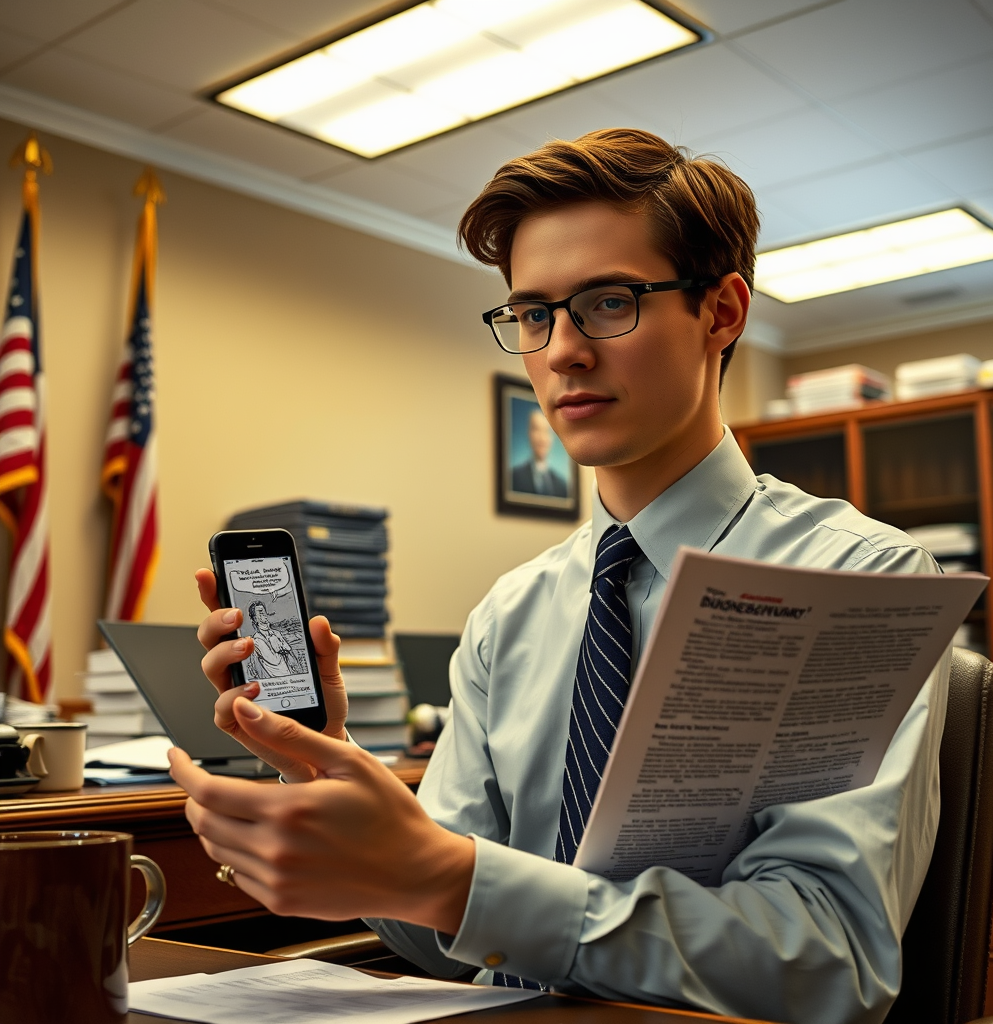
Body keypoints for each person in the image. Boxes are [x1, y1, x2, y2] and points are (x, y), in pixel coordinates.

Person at [173, 129, 945, 1024]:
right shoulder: (511, 613)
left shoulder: (858, 579)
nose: (563, 352)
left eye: (609, 302)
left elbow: (823, 967)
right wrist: (333, 785)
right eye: (534, 315)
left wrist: (459, 882)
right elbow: (436, 937)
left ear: (722, 312)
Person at [510, 408, 569, 497]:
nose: (542, 438)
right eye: (537, 430)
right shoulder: (514, 477)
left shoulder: (562, 485)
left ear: (553, 437)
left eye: (546, 431)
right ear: (528, 433)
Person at [245, 600, 295, 679]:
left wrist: (281, 648)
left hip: (289, 675)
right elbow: (274, 660)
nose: (264, 614)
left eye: (264, 612)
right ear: (255, 619)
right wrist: (281, 647)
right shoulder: (256, 640)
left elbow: (289, 650)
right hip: (274, 680)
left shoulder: (276, 633)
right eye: (260, 613)